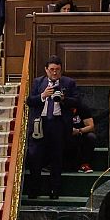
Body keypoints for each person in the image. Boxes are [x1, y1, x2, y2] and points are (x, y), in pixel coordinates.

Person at [26, 58, 76, 198]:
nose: (55, 72)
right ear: (46, 70)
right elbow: (29, 101)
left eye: (57, 70)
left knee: (56, 157)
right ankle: (34, 190)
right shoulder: (38, 82)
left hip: (58, 124)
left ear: (61, 70)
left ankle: (54, 190)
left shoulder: (69, 83)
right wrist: (43, 95)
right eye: (52, 70)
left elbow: (77, 101)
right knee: (35, 156)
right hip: (40, 123)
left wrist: (64, 99)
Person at [69, 104, 98, 171]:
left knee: (91, 137)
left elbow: (91, 126)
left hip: (81, 134)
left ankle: (85, 164)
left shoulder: (83, 108)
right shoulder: (61, 108)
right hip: (66, 135)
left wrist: (79, 130)